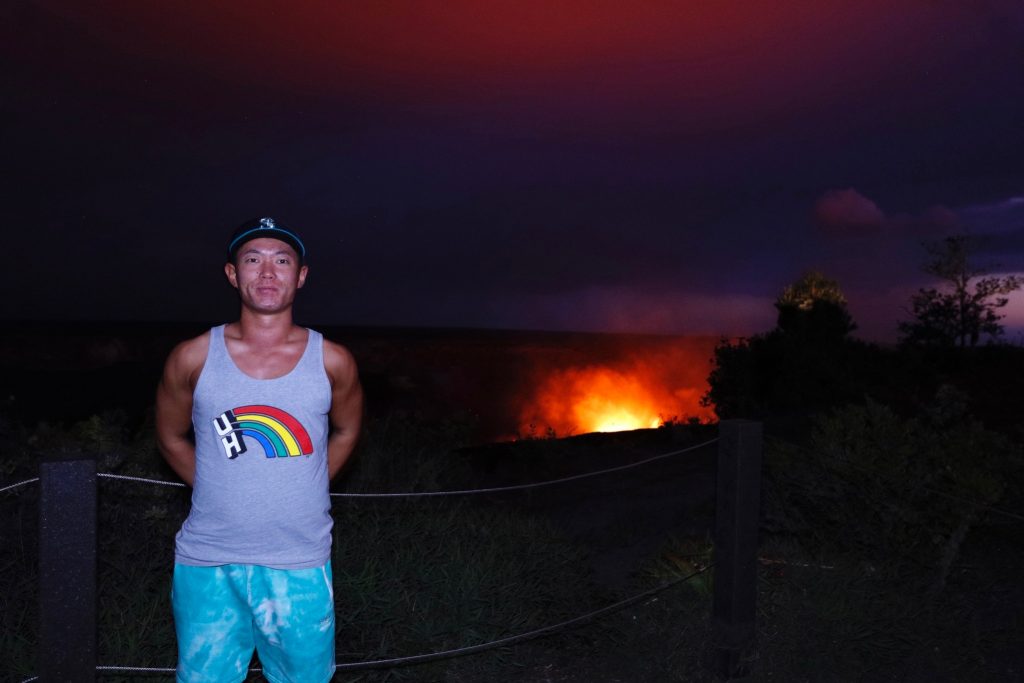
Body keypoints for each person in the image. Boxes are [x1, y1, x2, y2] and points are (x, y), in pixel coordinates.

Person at [155, 216, 363, 683]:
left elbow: (347, 431)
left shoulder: (333, 360)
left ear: (301, 275)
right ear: (232, 274)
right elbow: (170, 436)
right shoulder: (191, 356)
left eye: (281, 260)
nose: (267, 272)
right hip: (208, 560)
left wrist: (304, 484)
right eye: (253, 259)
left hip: (301, 561)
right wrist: (216, 483)